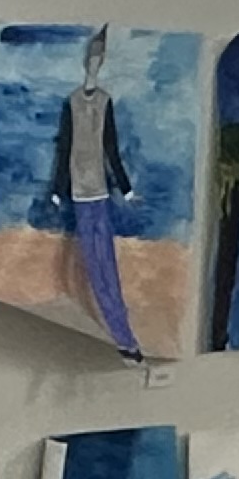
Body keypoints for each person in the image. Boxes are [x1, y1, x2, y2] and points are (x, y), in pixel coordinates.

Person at [43, 26, 144, 358]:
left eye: (100, 60)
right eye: (93, 58)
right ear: (87, 61)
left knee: (106, 266)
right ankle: (121, 337)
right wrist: (57, 190)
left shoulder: (104, 101)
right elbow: (65, 146)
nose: (95, 64)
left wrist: (125, 189)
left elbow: (110, 147)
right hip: (79, 192)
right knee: (94, 267)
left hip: (99, 191)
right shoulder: (72, 102)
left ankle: (124, 336)